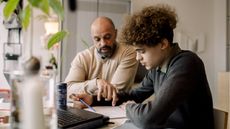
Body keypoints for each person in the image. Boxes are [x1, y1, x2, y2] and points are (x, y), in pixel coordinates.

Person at [70, 4, 214, 129]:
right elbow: (134, 95)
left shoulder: (186, 63)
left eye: (142, 51)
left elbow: (149, 118)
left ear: (163, 44)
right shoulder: (157, 68)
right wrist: (93, 99)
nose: (138, 58)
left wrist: (129, 108)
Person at [65, 16, 138, 104]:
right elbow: (66, 90)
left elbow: (114, 93)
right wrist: (96, 83)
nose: (103, 43)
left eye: (107, 37)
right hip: (87, 111)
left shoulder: (128, 53)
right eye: (97, 39)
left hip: (117, 111)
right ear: (92, 38)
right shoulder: (82, 57)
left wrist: (85, 94)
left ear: (115, 33)